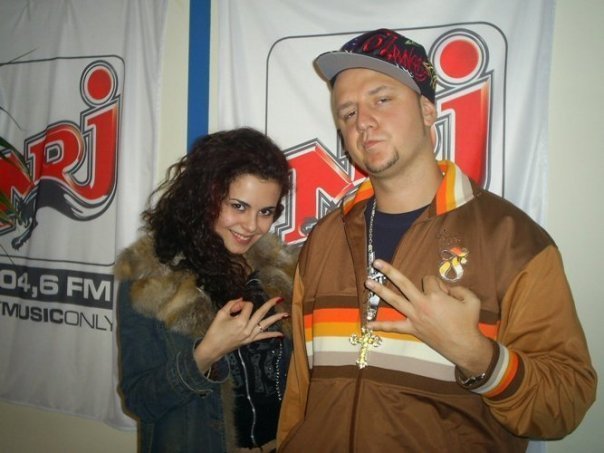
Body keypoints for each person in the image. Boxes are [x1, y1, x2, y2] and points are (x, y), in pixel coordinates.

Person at [277, 28, 596, 452]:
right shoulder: (325, 238)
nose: (362, 121)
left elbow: (565, 403)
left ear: (428, 111)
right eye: (347, 112)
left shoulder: (512, 240)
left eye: (381, 99)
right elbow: (300, 395)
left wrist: (479, 357)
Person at [115, 127, 297, 452]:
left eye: (265, 212)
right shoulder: (150, 279)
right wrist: (206, 354)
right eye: (238, 206)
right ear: (206, 196)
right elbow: (140, 400)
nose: (252, 225)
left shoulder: (276, 271)